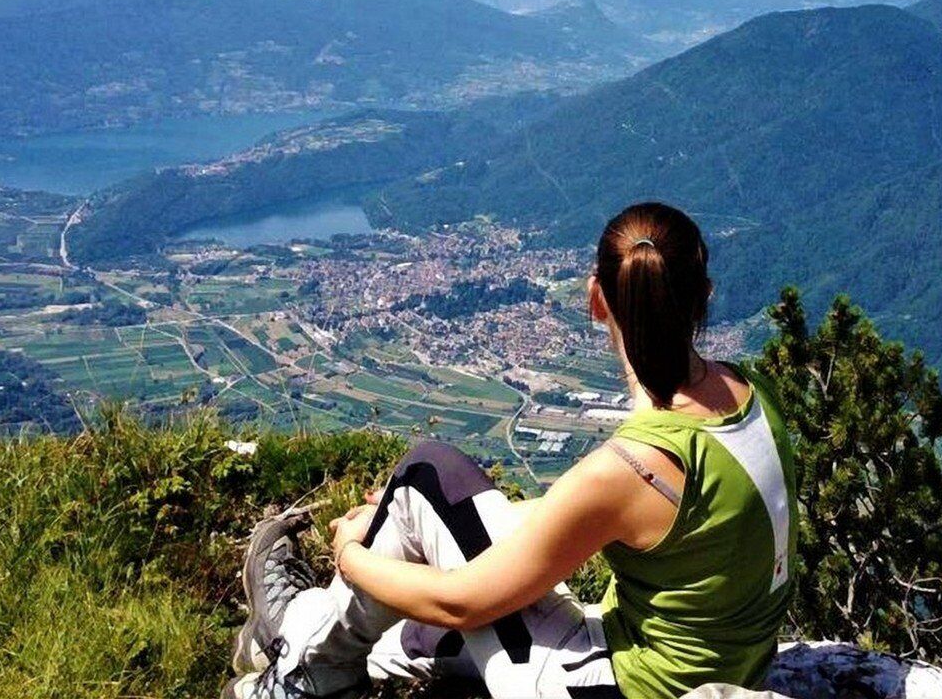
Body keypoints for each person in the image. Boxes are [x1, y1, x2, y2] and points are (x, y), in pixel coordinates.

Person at [224, 202, 798, 699]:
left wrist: (353, 553)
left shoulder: (637, 468)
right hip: (728, 666)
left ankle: (304, 668)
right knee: (426, 566)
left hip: (624, 688)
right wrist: (419, 523)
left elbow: (460, 604)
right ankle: (303, 631)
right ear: (705, 294)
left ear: (596, 299)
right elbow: (575, 517)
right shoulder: (751, 395)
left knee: (428, 473)